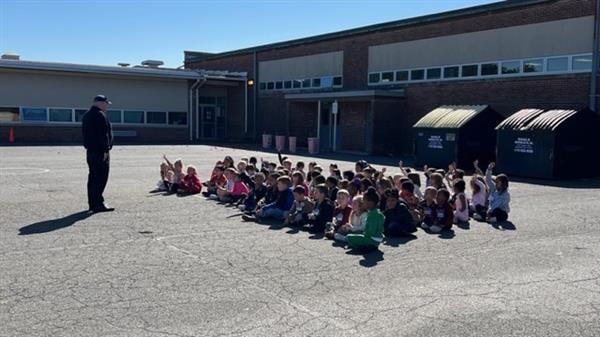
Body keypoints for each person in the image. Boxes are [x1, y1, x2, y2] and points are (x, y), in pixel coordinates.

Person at [82, 94, 114, 213]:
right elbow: (103, 135)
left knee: (93, 177)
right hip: (100, 151)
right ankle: (97, 204)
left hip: (91, 151)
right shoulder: (100, 115)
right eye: (106, 103)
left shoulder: (87, 115)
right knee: (100, 178)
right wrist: (105, 150)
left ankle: (93, 202)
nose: (107, 106)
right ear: (101, 102)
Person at [346, 187, 384, 252]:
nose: (362, 203)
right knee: (351, 233)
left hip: (372, 239)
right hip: (377, 238)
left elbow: (371, 231)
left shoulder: (373, 215)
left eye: (364, 200)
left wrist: (364, 235)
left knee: (349, 237)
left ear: (370, 202)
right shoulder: (377, 212)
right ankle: (364, 246)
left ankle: (364, 246)